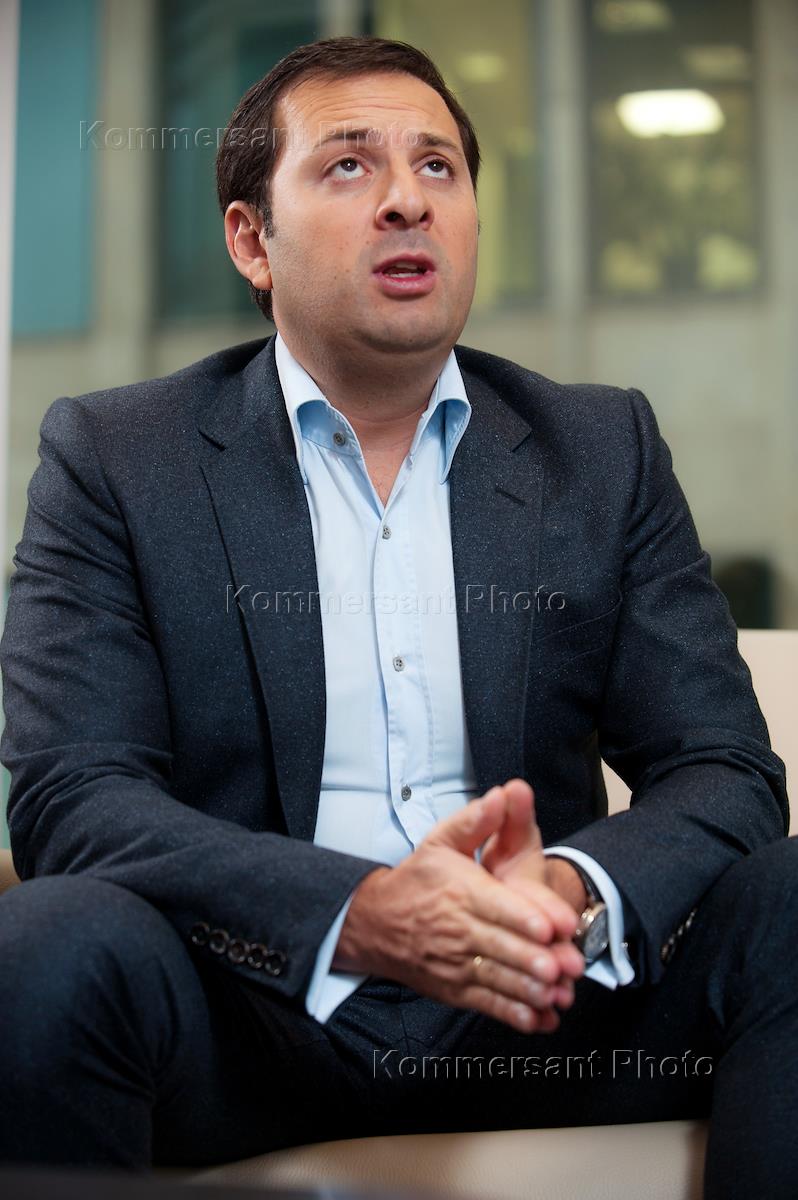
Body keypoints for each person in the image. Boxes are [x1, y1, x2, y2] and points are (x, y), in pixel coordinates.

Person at [0, 35, 793, 1198]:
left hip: (543, 1000)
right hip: (251, 1009)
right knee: (48, 943)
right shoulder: (118, 458)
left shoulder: (599, 448)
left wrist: (566, 890)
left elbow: (724, 772)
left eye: (438, 167)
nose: (408, 200)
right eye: (348, 166)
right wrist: (359, 914)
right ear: (251, 241)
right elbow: (75, 799)